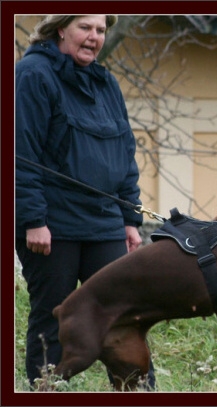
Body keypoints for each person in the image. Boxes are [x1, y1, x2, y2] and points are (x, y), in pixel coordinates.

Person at [15, 15, 155, 389]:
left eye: (100, 30)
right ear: (61, 28)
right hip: (52, 225)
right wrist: (32, 219)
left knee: (123, 315)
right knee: (55, 318)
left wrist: (129, 219)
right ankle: (46, 390)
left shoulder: (106, 82)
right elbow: (19, 151)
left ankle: (137, 391)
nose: (94, 38)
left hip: (105, 221)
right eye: (85, 28)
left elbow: (124, 153)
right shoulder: (33, 74)